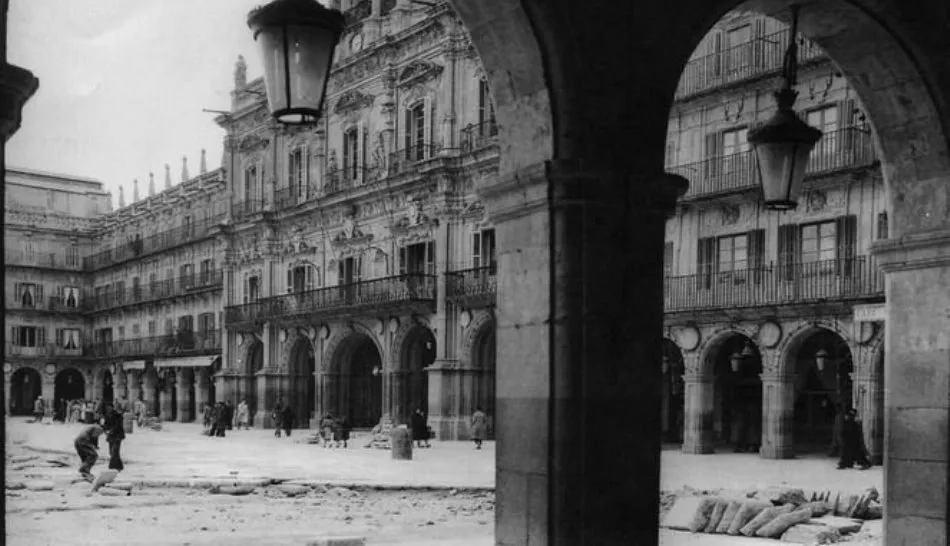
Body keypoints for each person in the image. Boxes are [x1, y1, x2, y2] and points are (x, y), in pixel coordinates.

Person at [102, 403, 125, 471]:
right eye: (107, 408)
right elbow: (105, 424)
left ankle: (111, 467)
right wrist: (104, 429)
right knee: (111, 452)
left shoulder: (118, 415)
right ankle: (120, 466)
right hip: (110, 436)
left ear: (112, 407)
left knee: (114, 451)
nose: (108, 409)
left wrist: (111, 431)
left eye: (109, 407)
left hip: (117, 435)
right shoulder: (106, 415)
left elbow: (118, 425)